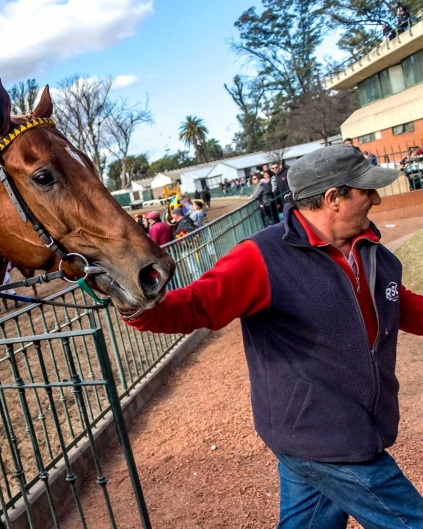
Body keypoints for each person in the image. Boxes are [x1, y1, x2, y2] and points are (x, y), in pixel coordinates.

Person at [124, 145, 423, 528]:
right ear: (333, 198)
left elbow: (401, 304)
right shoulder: (261, 256)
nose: (377, 198)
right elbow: (196, 305)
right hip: (328, 435)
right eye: (366, 190)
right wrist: (135, 303)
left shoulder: (370, 249)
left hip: (322, 434)